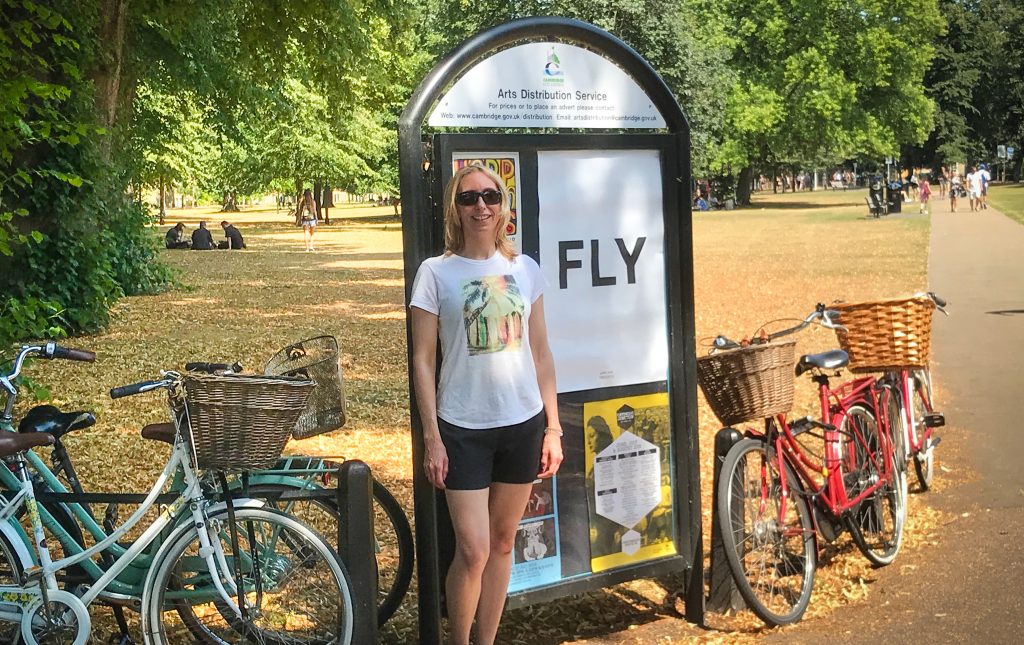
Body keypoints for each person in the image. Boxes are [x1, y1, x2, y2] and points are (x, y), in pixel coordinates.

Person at [409, 164, 563, 645]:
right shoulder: (435, 273)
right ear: (455, 208)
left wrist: (553, 427)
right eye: (469, 198)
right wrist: (432, 438)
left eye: (491, 196)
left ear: (504, 206)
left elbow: (541, 352)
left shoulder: (524, 270)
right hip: (461, 427)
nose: (481, 206)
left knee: (501, 544)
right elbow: (422, 360)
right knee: (472, 551)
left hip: (522, 423)